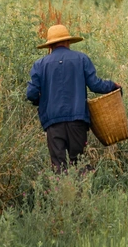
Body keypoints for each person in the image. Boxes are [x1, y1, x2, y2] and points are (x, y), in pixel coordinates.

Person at [26, 24, 120, 171]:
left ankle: (62, 192)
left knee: (58, 166)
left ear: (50, 46)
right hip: (78, 121)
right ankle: (82, 193)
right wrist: (113, 86)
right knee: (79, 164)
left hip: (53, 122)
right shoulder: (81, 59)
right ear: (68, 42)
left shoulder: (40, 65)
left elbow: (30, 94)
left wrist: (42, 101)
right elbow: (95, 85)